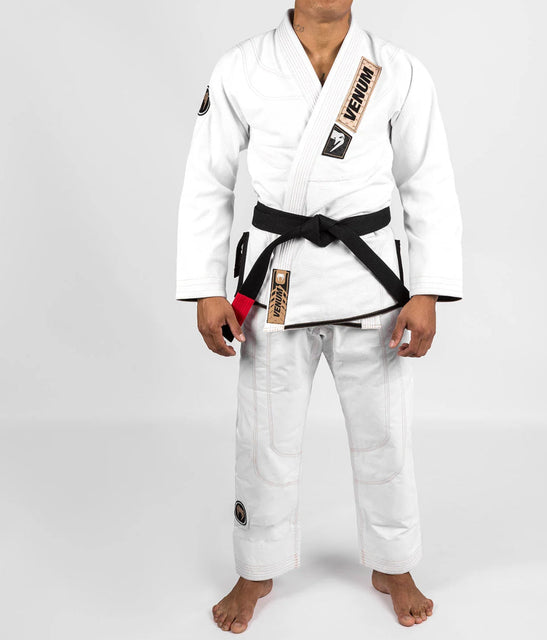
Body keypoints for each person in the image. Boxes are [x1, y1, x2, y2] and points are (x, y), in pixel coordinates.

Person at [175, 0, 463, 632]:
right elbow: (208, 180)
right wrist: (204, 287)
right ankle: (257, 566)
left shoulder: (398, 69)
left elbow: (428, 181)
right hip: (278, 281)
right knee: (264, 436)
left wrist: (428, 289)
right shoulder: (242, 67)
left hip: (371, 282)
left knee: (385, 434)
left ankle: (394, 562)